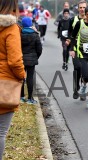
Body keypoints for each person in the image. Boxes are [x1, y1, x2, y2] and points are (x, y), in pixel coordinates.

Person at [0, 0, 26, 158]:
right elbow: (15, 60)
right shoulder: (10, 27)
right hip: (5, 85)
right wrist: (22, 75)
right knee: (1, 131)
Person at [67, 0, 87, 99]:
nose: (82, 9)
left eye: (84, 7)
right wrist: (70, 47)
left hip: (87, 49)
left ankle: (83, 89)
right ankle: (76, 87)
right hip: (75, 47)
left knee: (85, 70)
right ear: (78, 9)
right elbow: (70, 35)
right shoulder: (72, 20)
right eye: (81, 7)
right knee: (77, 67)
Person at [20, 17, 42, 104]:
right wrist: (36, 57)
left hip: (21, 59)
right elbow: (39, 49)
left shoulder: (19, 34)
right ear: (31, 24)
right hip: (32, 59)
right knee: (30, 78)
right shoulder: (35, 35)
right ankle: (30, 98)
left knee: (21, 77)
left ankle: (21, 97)